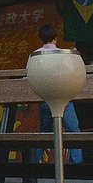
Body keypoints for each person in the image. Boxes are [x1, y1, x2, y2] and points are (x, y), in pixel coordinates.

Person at [33, 24, 83, 164]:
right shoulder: (63, 54)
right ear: (55, 38)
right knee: (73, 130)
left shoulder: (35, 55)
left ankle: (37, 162)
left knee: (44, 132)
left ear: (41, 38)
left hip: (45, 100)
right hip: (64, 99)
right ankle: (77, 163)